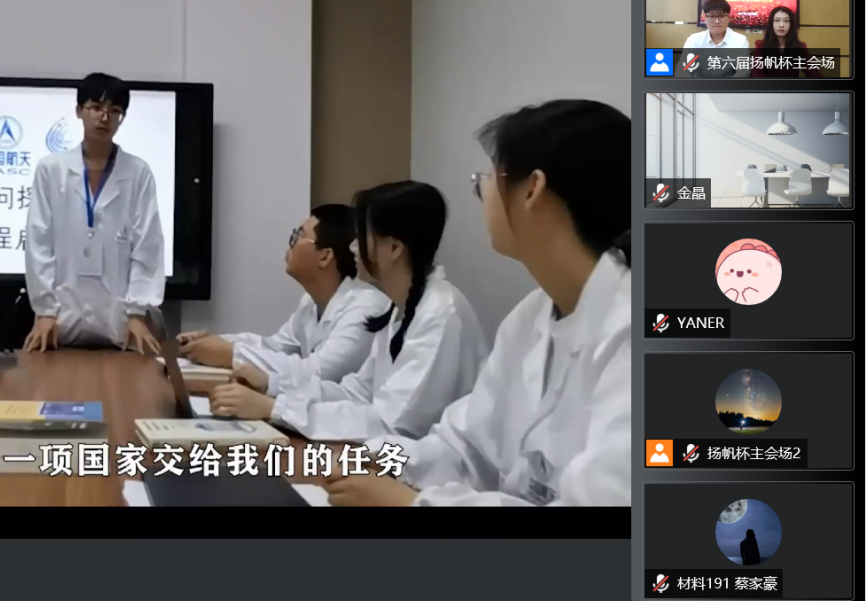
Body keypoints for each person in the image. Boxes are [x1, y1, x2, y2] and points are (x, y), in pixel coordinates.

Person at [323, 100, 632, 507]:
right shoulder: (530, 316)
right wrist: (372, 460)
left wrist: (409, 504)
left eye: (485, 181)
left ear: (532, 190)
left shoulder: (636, 332)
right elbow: (465, 446)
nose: (482, 195)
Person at [208, 181, 487, 444]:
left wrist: (275, 407)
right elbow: (357, 392)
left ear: (393, 248)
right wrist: (272, 385)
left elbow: (393, 424)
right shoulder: (399, 309)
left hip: (424, 468)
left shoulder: (440, 312)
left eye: (362, 238)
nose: (353, 248)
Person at [177, 204, 388, 394]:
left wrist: (231, 353)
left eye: (298, 236)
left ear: (325, 256)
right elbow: (274, 347)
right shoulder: (310, 301)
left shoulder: (365, 308)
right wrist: (217, 343)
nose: (290, 244)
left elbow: (320, 372)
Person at [24, 73, 165, 354]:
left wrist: (137, 312)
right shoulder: (51, 170)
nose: (104, 117)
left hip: (120, 322)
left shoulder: (138, 172)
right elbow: (39, 242)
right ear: (79, 111)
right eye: (96, 107)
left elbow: (147, 246)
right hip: (59, 320)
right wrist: (45, 311)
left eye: (115, 111)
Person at [682, 0, 749, 78]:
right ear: (704, 17)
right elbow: (685, 70)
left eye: (722, 16)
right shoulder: (694, 40)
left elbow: (743, 72)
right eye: (712, 16)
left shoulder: (740, 41)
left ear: (728, 18)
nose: (717, 21)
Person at [751, 6, 820, 78]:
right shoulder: (761, 46)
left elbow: (813, 72)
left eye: (786, 21)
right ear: (771, 24)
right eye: (777, 20)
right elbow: (757, 74)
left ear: (791, 25)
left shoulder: (800, 47)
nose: (781, 25)